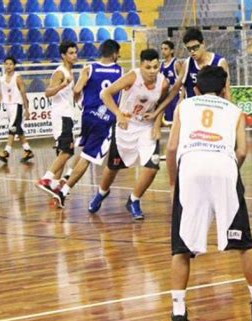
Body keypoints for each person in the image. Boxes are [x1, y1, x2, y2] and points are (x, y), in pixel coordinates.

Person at [165, 66, 252, 321]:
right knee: (244, 243)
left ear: (196, 89)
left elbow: (170, 147)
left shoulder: (185, 106)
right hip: (224, 167)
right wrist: (228, 170)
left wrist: (172, 183)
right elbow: (242, 150)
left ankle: (178, 316)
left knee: (182, 248)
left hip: (190, 168)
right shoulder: (234, 110)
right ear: (225, 89)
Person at [87, 49, 169, 219]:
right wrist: (117, 113)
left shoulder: (163, 83)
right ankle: (102, 192)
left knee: (152, 166)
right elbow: (105, 94)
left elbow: (162, 104)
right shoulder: (132, 77)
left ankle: (134, 199)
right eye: (148, 67)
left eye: (156, 67)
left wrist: (157, 125)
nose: (153, 71)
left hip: (146, 127)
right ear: (141, 66)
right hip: (126, 126)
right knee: (113, 167)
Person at [53, 40, 123, 208]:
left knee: (84, 149)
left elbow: (76, 90)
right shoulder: (120, 71)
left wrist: (80, 101)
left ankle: (68, 175)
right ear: (114, 54)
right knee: (88, 157)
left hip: (88, 115)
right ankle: (64, 191)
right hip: (105, 119)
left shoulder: (89, 68)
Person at [146, 27, 230, 123]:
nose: (192, 52)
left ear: (203, 44)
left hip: (213, 114)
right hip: (192, 114)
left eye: (195, 47)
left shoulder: (219, 62)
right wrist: (156, 112)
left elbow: (226, 92)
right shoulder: (187, 63)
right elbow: (173, 91)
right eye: (189, 49)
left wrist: (229, 119)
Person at [36, 41, 78, 197]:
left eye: (75, 52)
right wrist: (61, 86)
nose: (74, 56)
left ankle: (54, 185)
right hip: (61, 115)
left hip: (67, 114)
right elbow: (47, 93)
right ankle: (46, 179)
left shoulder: (70, 72)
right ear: (63, 55)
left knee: (63, 151)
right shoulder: (60, 72)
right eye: (71, 53)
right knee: (67, 151)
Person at [0, 56, 34, 164]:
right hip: (8, 107)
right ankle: (27, 150)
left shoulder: (17, 77)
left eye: (10, 64)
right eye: (6, 64)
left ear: (14, 66)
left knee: (13, 128)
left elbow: (23, 93)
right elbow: (0, 95)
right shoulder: (1, 79)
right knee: (18, 129)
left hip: (17, 105)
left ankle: (6, 152)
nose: (8, 66)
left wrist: (26, 108)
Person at [160, 40, 181, 126]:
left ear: (172, 50)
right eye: (162, 49)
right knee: (169, 122)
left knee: (176, 122)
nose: (163, 51)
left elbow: (182, 81)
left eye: (166, 49)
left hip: (175, 96)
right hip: (166, 96)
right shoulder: (161, 65)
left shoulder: (176, 64)